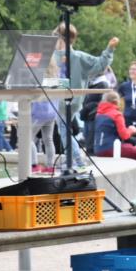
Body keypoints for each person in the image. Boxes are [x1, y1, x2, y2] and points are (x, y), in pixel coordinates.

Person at [54, 23, 118, 167]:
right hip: (71, 100)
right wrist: (109, 49)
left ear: (59, 37)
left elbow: (100, 65)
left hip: (61, 100)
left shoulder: (55, 56)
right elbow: (101, 64)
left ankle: (77, 161)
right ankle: (72, 160)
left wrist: (109, 49)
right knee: (61, 130)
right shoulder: (78, 56)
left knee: (63, 131)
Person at [29, 99, 58, 174]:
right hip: (52, 113)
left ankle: (33, 165)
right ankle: (50, 167)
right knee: (48, 140)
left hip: (39, 113)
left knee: (27, 138)